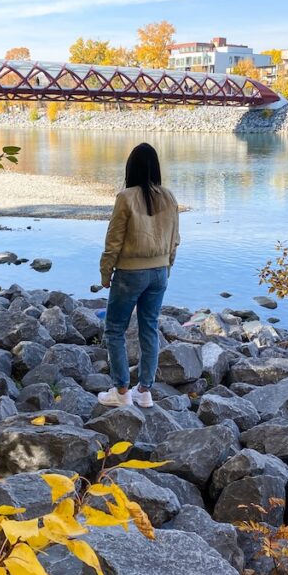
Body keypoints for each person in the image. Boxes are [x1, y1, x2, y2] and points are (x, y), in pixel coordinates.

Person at [97, 143, 180, 408]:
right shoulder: (169, 197)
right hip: (159, 273)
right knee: (149, 328)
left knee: (115, 329)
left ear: (130, 168)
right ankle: (144, 391)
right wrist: (167, 268)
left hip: (130, 272)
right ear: (155, 167)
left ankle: (121, 391)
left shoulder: (126, 197)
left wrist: (105, 272)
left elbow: (114, 240)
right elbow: (175, 240)